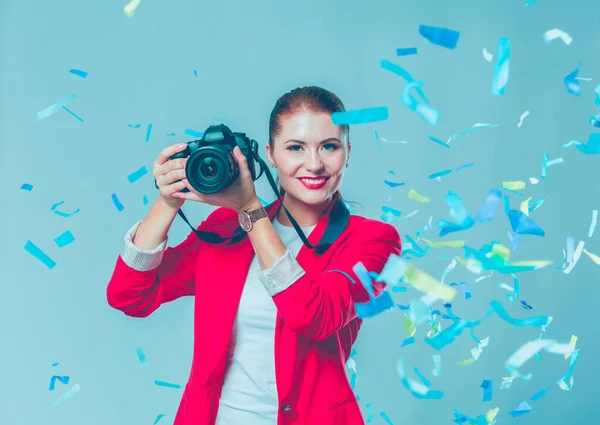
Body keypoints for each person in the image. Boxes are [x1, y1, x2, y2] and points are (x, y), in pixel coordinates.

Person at [106, 85, 402, 425]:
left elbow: (314, 317)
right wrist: (167, 202)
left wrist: (250, 210)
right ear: (270, 154)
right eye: (296, 148)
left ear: (347, 153)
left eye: (329, 147)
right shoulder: (225, 227)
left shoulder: (373, 240)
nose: (314, 164)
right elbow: (129, 297)